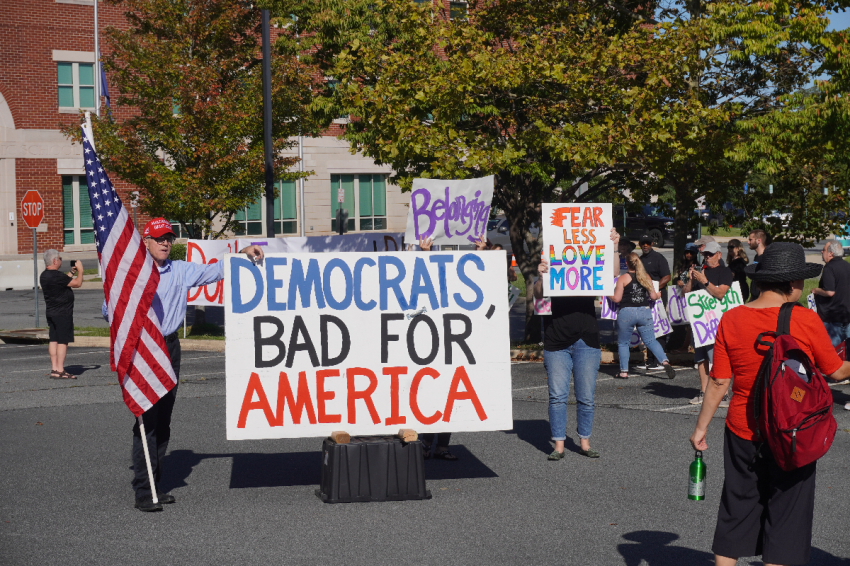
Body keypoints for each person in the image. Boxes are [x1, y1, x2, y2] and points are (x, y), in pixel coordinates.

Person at [689, 242, 850, 566]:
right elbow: (836, 372)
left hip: (742, 428)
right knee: (787, 515)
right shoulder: (804, 320)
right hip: (792, 429)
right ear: (792, 283)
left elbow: (720, 382)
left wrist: (701, 427)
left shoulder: (732, 319)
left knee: (736, 506)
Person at [103, 218, 264, 512]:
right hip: (142, 348)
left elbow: (215, 269)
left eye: (169, 238)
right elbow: (110, 308)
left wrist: (244, 253)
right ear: (146, 241)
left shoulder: (179, 270)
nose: (166, 243)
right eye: (160, 238)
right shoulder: (133, 275)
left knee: (163, 419)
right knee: (147, 420)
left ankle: (156, 484)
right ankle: (143, 490)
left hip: (169, 346)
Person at [534, 228, 620, 461]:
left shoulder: (588, 260)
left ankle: (584, 442)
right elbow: (538, 295)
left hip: (586, 340)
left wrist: (613, 247)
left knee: (586, 397)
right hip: (556, 341)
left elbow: (611, 275)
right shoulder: (550, 260)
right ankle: (559, 445)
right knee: (558, 396)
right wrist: (541, 275)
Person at [416, 234, 487, 460]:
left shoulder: (460, 292)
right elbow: (423, 278)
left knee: (449, 397)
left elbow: (475, 281)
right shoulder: (432, 290)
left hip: (454, 346)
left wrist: (479, 253)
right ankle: (426, 442)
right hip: (431, 347)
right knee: (431, 394)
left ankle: (441, 445)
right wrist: (425, 254)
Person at [613, 252, 676, 380]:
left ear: (626, 263)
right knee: (651, 340)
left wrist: (607, 293)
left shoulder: (623, 278)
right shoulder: (645, 276)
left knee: (623, 343)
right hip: (644, 311)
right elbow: (653, 296)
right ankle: (664, 361)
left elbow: (617, 299)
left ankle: (624, 372)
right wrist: (658, 295)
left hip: (627, 312)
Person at [684, 242, 733, 406]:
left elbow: (720, 293)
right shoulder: (700, 272)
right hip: (700, 324)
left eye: (710, 254)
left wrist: (704, 281)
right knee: (701, 358)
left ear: (719, 254)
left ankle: (724, 394)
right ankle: (704, 392)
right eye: (705, 254)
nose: (707, 257)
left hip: (716, 323)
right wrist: (691, 280)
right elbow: (685, 293)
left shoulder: (725, 272)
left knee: (717, 359)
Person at [40, 249, 84, 379]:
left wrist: (71, 272)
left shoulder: (45, 275)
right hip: (63, 313)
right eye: (59, 259)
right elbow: (77, 283)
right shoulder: (57, 276)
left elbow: (62, 282)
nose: (60, 261)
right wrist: (80, 271)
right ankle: (60, 369)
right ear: (54, 261)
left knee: (53, 339)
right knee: (62, 341)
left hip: (51, 312)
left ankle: (54, 368)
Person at [638, 235, 671, 371]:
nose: (645, 245)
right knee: (648, 327)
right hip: (645, 298)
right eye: (643, 243)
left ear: (651, 243)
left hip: (658, 297)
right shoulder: (639, 260)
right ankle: (650, 360)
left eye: (647, 243)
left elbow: (667, 276)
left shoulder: (658, 258)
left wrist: (654, 289)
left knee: (659, 328)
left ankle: (658, 360)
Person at [812, 240, 850, 347]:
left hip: (832, 318)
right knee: (847, 353)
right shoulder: (847, 266)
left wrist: (816, 290)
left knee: (833, 353)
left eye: (823, 250)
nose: (821, 252)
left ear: (830, 253)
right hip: (846, 316)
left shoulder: (829, 268)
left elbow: (829, 292)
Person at [747, 229, 769, 301]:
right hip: (754, 296)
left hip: (761, 299)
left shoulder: (766, 257)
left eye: (751, 240)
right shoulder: (757, 257)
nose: (748, 242)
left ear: (759, 241)